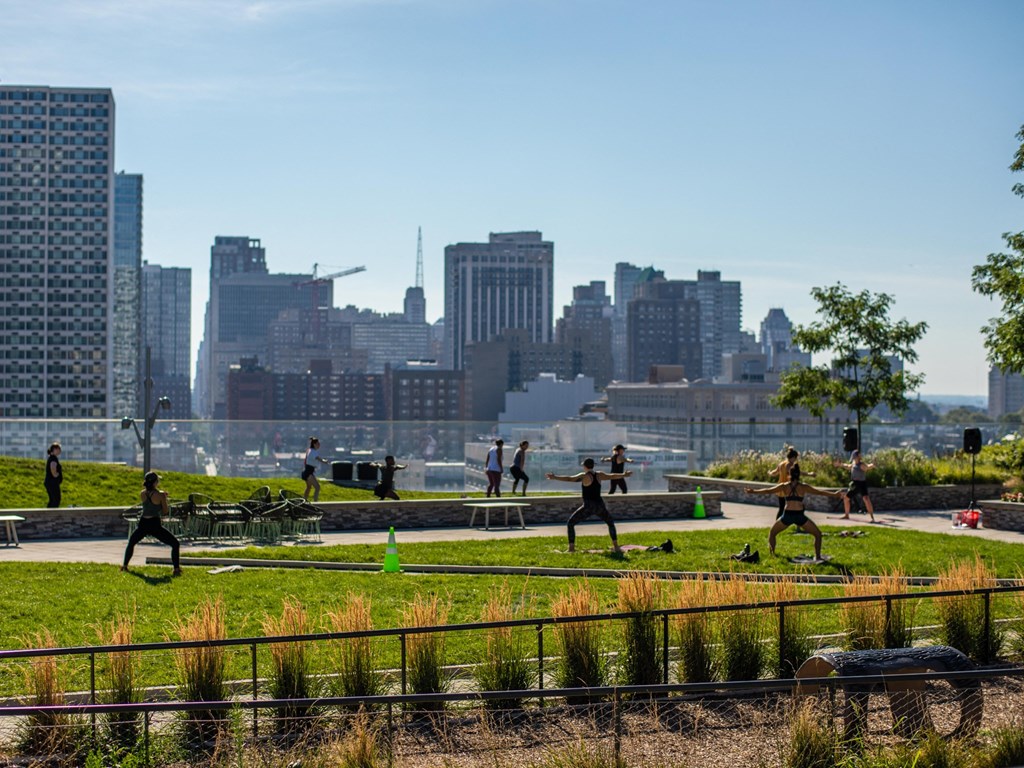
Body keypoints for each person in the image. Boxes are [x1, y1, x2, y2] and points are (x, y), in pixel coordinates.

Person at [744, 465, 844, 562]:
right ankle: (818, 557)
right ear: (799, 475)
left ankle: (772, 555)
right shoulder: (804, 487)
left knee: (772, 533)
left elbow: (768, 491)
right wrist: (834, 494)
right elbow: (820, 492)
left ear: (789, 474)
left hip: (787, 515)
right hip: (799, 516)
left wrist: (753, 492)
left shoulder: (784, 486)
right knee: (818, 534)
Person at [546, 458, 632, 554]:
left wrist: (555, 477)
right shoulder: (599, 475)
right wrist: (624, 475)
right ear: (593, 465)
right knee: (610, 523)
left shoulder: (584, 476)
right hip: (600, 505)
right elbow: (612, 476)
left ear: (585, 466)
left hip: (588, 506)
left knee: (570, 523)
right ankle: (616, 547)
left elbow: (569, 478)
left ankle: (571, 549)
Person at [121, 471, 181, 576]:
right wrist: (164, 498)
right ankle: (176, 569)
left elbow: (150, 497)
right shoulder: (160, 495)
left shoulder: (142, 493)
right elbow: (165, 511)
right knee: (175, 544)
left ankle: (125, 566)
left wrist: (161, 495)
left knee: (131, 543)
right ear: (154, 482)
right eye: (157, 480)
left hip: (143, 523)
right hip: (154, 524)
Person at [836, 449, 877, 522]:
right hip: (855, 484)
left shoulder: (861, 464)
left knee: (866, 499)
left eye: (857, 457)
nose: (856, 458)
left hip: (861, 483)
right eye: (855, 457)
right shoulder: (853, 463)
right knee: (846, 498)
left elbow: (867, 467)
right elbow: (848, 466)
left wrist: (873, 465)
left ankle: (872, 518)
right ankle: (846, 515)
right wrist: (841, 464)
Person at [302, 437, 329, 502]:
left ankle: (304, 501)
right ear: (314, 444)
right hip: (309, 473)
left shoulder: (310, 450)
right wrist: (324, 461)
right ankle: (315, 502)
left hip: (307, 472)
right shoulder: (313, 451)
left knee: (309, 487)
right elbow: (318, 458)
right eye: (318, 444)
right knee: (317, 487)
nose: (319, 445)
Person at [44, 442, 63, 508]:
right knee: (56, 499)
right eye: (59, 449)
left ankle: (49, 513)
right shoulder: (53, 458)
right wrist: (56, 475)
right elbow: (53, 466)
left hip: (50, 482)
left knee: (53, 499)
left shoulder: (51, 458)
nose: (60, 451)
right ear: (55, 449)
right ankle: (51, 515)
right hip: (52, 483)